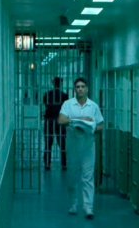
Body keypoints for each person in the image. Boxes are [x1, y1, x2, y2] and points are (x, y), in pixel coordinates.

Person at [58, 77, 104, 220]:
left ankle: (88, 207)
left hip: (88, 147)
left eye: (83, 86)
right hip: (72, 147)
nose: (80, 89)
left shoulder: (93, 106)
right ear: (74, 89)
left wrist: (92, 127)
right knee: (72, 177)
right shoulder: (68, 104)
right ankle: (73, 203)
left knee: (88, 178)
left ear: (87, 89)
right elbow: (61, 120)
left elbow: (101, 125)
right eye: (78, 87)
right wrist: (76, 121)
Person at [42, 77, 69, 171]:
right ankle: (64, 164)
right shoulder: (64, 96)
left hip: (49, 120)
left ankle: (47, 164)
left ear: (53, 84)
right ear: (61, 84)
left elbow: (46, 104)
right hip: (60, 121)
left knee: (48, 143)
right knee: (62, 144)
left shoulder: (47, 94)